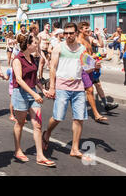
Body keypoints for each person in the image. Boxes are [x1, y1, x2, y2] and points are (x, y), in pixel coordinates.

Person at [43, 23, 90, 160]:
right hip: (62, 86)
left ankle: (75, 148)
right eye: (66, 33)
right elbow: (52, 68)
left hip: (78, 87)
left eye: (71, 33)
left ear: (76, 33)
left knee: (79, 118)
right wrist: (52, 87)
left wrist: (96, 65)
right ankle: (47, 133)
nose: (68, 36)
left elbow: (87, 67)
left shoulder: (82, 48)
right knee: (58, 117)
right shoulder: (59, 47)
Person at [11, 34, 55, 167]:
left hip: (33, 93)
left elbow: (34, 78)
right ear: (28, 45)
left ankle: (40, 156)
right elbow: (19, 79)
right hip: (20, 94)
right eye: (35, 43)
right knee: (20, 123)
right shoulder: (17, 59)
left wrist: (42, 90)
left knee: (37, 125)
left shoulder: (33, 58)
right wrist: (34, 94)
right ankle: (17, 150)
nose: (38, 45)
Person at [78, 22, 118, 123]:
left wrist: (99, 35)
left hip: (92, 66)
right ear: (80, 30)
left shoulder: (89, 38)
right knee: (89, 90)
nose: (88, 30)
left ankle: (104, 105)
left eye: (89, 28)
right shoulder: (79, 41)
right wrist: (98, 55)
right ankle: (96, 114)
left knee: (95, 86)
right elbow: (84, 58)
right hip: (84, 69)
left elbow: (100, 44)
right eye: (86, 28)